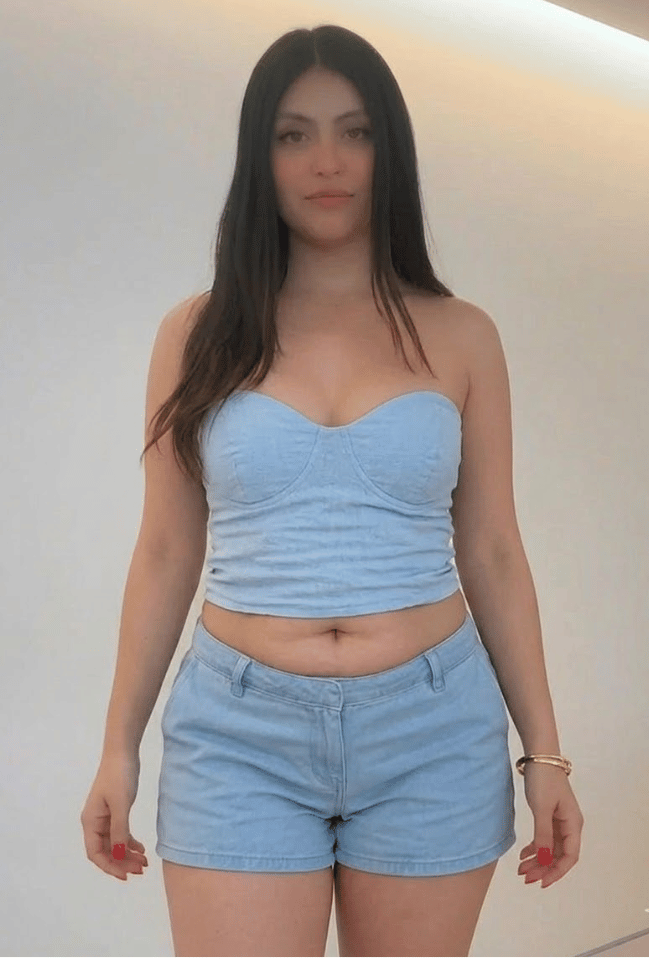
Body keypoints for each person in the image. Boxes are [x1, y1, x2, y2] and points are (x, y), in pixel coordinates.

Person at [80, 24, 582, 957]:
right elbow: (165, 548)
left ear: (389, 151)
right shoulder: (195, 334)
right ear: (258, 156)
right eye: (292, 134)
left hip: (433, 730)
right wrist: (119, 747)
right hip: (238, 733)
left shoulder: (462, 334)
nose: (326, 161)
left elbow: (493, 550)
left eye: (355, 132)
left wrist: (543, 754)